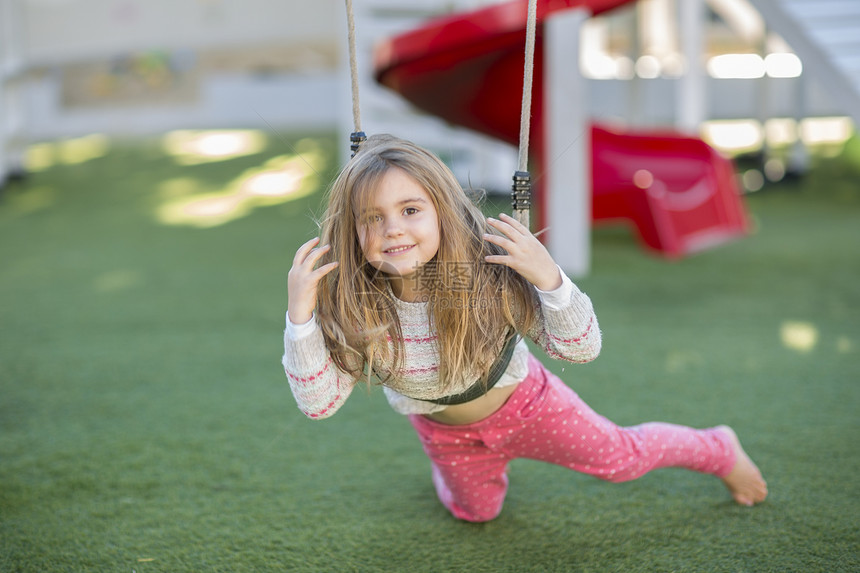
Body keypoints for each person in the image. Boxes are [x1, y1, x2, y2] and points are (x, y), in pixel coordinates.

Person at [282, 134, 767, 522]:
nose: (392, 229)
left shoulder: (489, 275)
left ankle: (719, 448)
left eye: (410, 210)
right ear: (353, 232)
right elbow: (319, 405)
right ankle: (457, 476)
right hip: (444, 432)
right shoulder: (355, 304)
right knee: (477, 514)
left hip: (531, 407)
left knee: (622, 459)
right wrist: (301, 318)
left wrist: (549, 278)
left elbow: (581, 349)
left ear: (441, 211)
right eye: (373, 218)